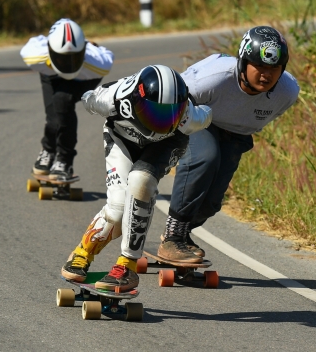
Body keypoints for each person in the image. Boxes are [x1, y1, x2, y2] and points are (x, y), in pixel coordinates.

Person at [61, 64, 212, 292]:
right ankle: (83, 250)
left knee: (141, 181)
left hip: (168, 144)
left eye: (171, 114)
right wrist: (88, 96)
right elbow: (88, 99)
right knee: (118, 208)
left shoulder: (190, 116)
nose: (162, 122)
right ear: (135, 102)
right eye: (155, 113)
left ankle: (127, 265)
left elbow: (209, 114)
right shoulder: (110, 100)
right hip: (120, 139)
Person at [158, 25, 300, 261]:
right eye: (260, 66)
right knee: (205, 157)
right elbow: (172, 101)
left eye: (274, 68)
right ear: (243, 63)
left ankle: (180, 235)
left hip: (236, 133)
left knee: (211, 203)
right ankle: (173, 238)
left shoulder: (287, 91)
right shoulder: (212, 80)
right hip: (196, 116)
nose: (267, 74)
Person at [20, 18, 114, 180]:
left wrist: (91, 47)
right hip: (51, 75)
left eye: (73, 58)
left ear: (83, 52)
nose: (68, 64)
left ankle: (64, 160)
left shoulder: (98, 63)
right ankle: (48, 151)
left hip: (84, 76)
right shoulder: (35, 56)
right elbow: (35, 42)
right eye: (62, 59)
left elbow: (107, 56)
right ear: (49, 50)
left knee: (62, 102)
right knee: (53, 119)